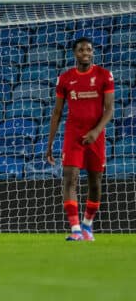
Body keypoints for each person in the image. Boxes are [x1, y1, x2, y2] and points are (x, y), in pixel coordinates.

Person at [46, 37, 114, 241]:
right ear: (75, 53)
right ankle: (75, 230)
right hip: (73, 135)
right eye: (81, 50)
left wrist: (96, 131)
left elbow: (109, 109)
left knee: (95, 182)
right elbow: (57, 112)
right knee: (70, 178)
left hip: (96, 135)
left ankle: (87, 225)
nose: (86, 52)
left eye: (89, 49)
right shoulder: (65, 78)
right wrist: (49, 143)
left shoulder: (104, 75)